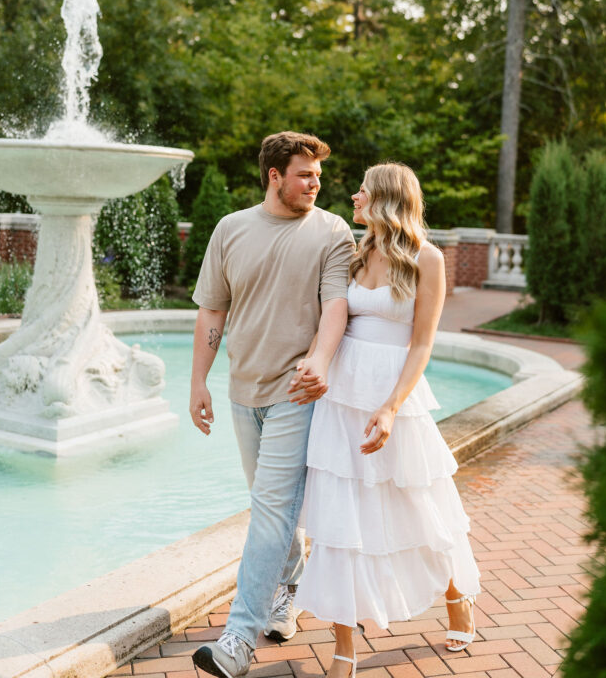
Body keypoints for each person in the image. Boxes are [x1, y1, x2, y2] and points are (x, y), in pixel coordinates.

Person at [289, 163, 481, 674]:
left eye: (364, 191)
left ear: (388, 199)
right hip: (341, 397)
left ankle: (457, 595)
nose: (354, 196)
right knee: (338, 519)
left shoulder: (428, 259)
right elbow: (333, 322)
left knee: (421, 508)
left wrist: (392, 407)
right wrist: (312, 367)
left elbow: (421, 344)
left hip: (393, 396)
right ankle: (343, 647)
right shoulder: (354, 254)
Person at [190, 131, 356, 678]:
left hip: (296, 392)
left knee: (270, 509)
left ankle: (238, 639)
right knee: (270, 506)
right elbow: (213, 312)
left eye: (318, 176)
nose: (315, 183)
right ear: (274, 175)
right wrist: (199, 382)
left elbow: (336, 307)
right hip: (244, 391)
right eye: (305, 174)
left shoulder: (333, 231)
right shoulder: (231, 229)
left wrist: (321, 361)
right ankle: (287, 589)